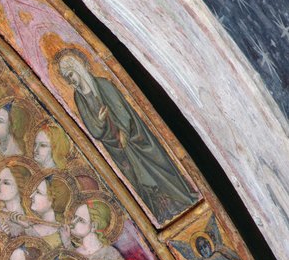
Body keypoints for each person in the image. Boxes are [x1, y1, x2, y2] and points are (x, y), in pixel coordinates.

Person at [57, 51, 197, 223]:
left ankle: (181, 200)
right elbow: (94, 130)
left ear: (78, 69)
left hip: (134, 136)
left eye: (71, 75)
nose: (70, 81)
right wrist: (101, 121)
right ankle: (162, 213)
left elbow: (123, 111)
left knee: (157, 167)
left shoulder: (103, 85)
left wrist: (123, 132)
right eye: (66, 78)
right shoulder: (79, 98)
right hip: (115, 148)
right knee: (138, 181)